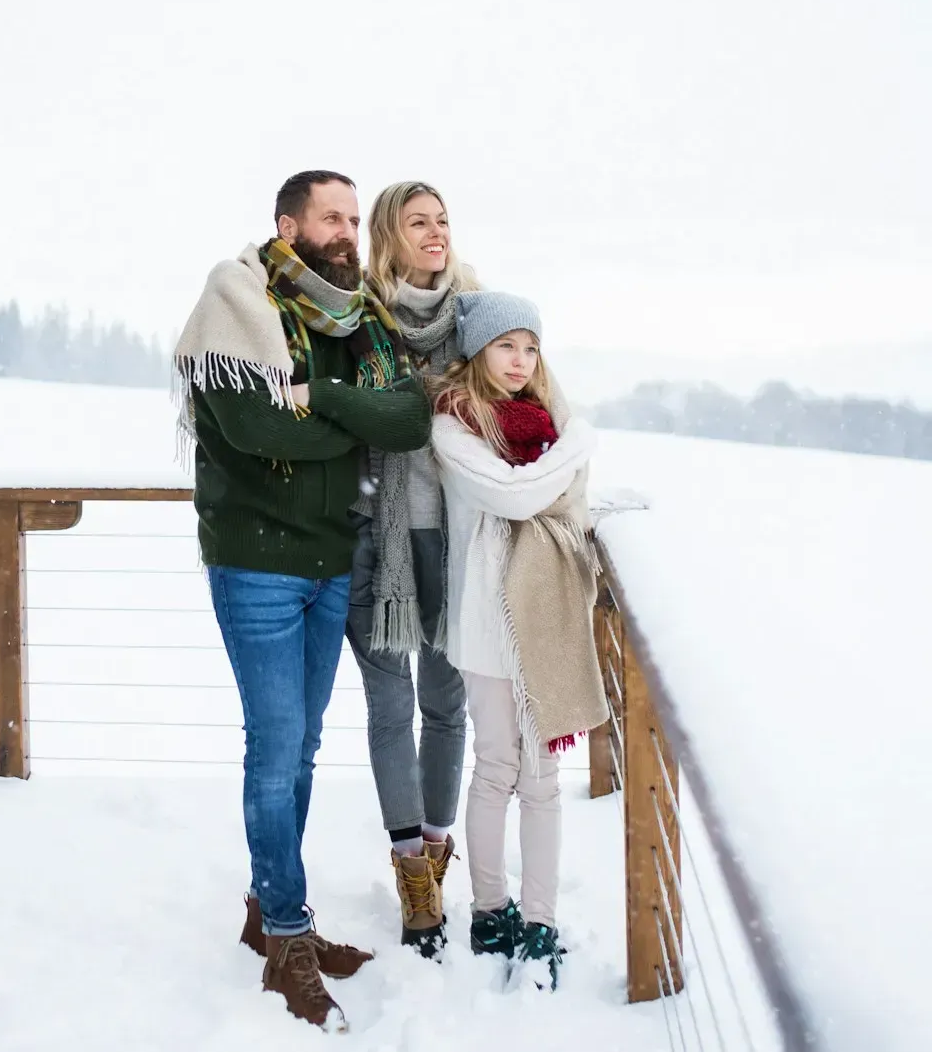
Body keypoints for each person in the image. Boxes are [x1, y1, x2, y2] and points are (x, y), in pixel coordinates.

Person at [171, 169, 433, 1030]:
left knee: (304, 743)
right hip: (257, 562)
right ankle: (289, 931)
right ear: (288, 224)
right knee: (277, 741)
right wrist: (349, 421)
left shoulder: (358, 320)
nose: (350, 230)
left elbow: (408, 419)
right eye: (333, 216)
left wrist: (320, 398)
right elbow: (255, 430)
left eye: (356, 218)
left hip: (329, 561)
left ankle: (268, 909)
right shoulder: (236, 301)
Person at [429, 291, 606, 991]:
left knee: (543, 779)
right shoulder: (454, 426)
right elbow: (516, 495)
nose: (520, 360)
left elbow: (556, 494)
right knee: (498, 764)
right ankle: (488, 909)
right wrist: (579, 445)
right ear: (478, 350)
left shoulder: (544, 423)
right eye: (507, 345)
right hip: (485, 622)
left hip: (543, 619)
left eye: (530, 348)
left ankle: (540, 921)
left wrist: (566, 445)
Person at [347, 181, 481, 957]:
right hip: (377, 537)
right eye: (417, 222)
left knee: (446, 706)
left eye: (442, 221)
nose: (435, 234)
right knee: (390, 707)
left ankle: (437, 847)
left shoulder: (476, 316)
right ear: (388, 236)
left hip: (458, 540)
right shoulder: (356, 318)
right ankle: (410, 871)